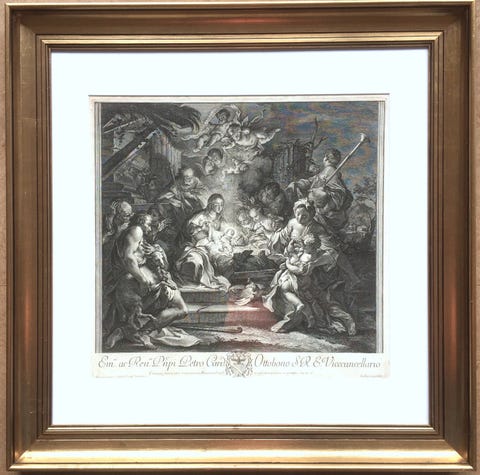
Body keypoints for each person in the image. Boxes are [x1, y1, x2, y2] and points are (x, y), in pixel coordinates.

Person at [103, 213, 197, 350]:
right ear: (141, 223)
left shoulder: (145, 239)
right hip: (141, 283)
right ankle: (140, 332)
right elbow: (129, 259)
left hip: (157, 281)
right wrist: (142, 280)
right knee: (180, 309)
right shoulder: (136, 230)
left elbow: (158, 262)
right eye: (148, 224)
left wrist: (156, 253)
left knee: (181, 309)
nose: (150, 227)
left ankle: (133, 332)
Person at [174, 194, 231, 290]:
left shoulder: (221, 219)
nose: (219, 207)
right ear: (210, 204)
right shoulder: (201, 216)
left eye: (221, 205)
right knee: (209, 254)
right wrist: (201, 228)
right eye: (217, 204)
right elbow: (190, 231)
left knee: (224, 254)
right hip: (200, 244)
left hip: (215, 243)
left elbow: (225, 233)